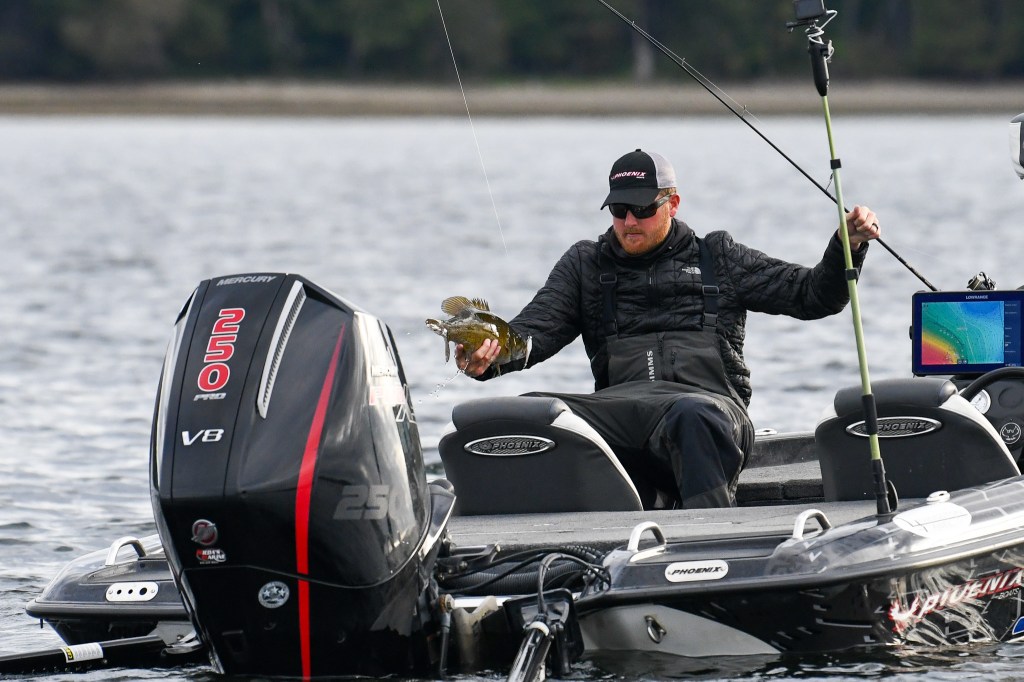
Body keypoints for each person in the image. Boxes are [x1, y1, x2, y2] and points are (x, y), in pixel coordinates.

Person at [455, 149, 880, 509]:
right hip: (624, 415)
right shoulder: (586, 265)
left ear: (672, 204)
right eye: (619, 211)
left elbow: (812, 295)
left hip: (713, 411)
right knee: (529, 415)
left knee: (690, 414)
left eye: (642, 210)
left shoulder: (719, 256)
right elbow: (532, 333)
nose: (629, 222)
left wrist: (848, 245)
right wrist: (487, 357)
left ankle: (713, 536)